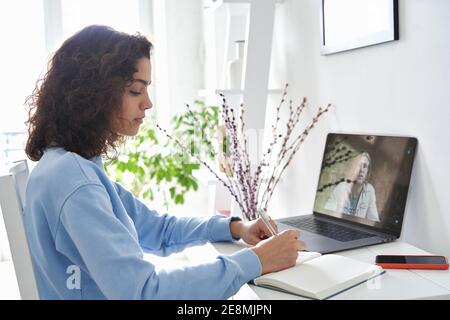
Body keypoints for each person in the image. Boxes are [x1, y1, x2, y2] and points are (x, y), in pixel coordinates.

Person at [23, 25, 304, 300]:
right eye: (136, 90)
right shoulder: (76, 183)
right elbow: (145, 292)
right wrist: (256, 260)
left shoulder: (72, 166)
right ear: (93, 92)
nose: (147, 103)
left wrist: (234, 228)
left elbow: (156, 229)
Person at [324, 152, 380, 222]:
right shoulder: (341, 187)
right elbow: (327, 214)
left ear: (367, 172)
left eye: (365, 166)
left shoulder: (369, 190)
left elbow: (374, 220)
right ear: (354, 169)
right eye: (359, 165)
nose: (361, 170)